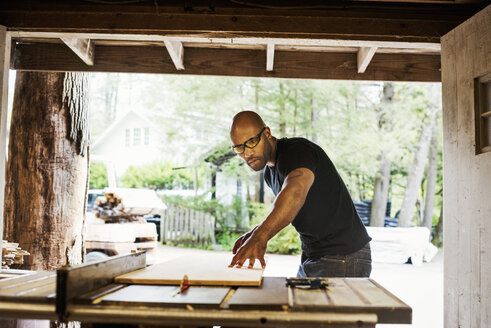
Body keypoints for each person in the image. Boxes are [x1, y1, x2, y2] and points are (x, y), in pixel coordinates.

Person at [228, 110, 372, 277]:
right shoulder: (270, 173)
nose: (247, 153)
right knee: (292, 301)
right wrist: (254, 234)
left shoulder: (296, 151)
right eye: (239, 148)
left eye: (252, 141)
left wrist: (261, 235)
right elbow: (289, 208)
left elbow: (295, 193)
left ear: (267, 133)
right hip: (313, 256)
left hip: (344, 256)